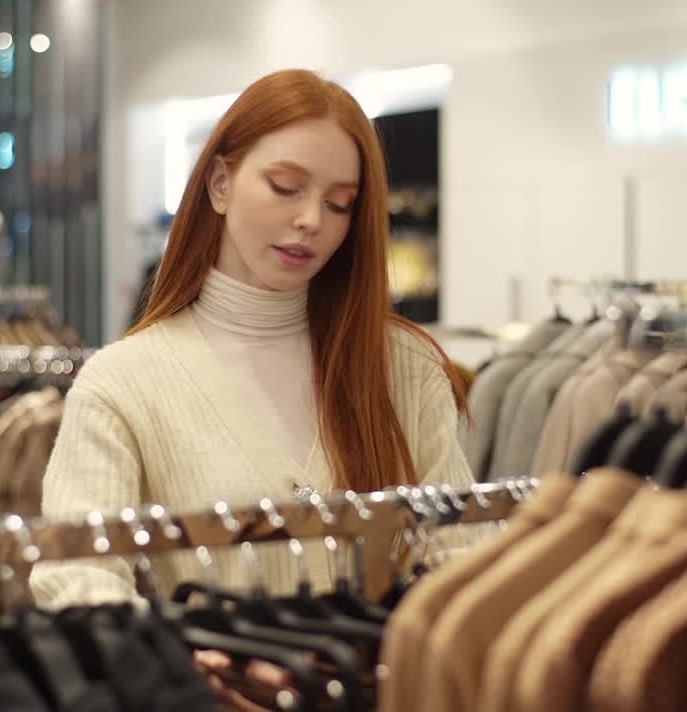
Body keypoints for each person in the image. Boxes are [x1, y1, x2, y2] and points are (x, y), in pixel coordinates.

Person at [31, 70, 475, 608]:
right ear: (220, 184)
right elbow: (80, 580)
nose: (312, 219)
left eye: (340, 204)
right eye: (285, 188)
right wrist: (190, 667)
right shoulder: (122, 384)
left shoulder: (403, 366)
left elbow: (460, 556)